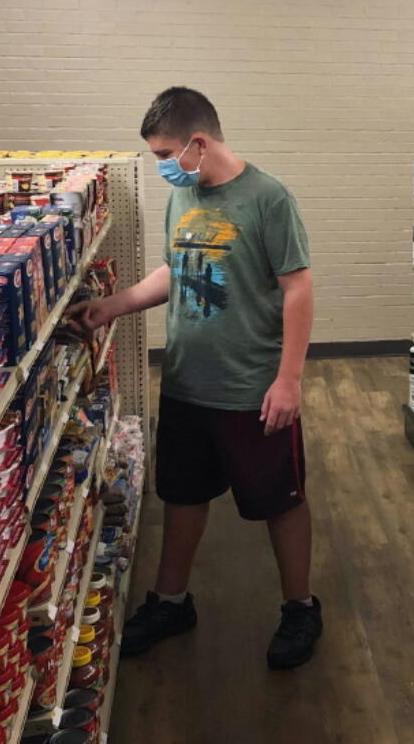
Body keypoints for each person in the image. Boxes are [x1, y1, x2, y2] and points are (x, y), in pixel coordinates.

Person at [66, 87, 321, 669]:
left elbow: (298, 287)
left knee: (279, 502)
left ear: (198, 144)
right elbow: (175, 267)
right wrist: (115, 304)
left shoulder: (268, 197)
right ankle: (172, 601)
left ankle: (300, 606)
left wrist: (289, 379)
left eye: (165, 153)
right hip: (186, 384)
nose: (161, 166)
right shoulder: (182, 201)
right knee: (183, 497)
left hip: (251, 389)